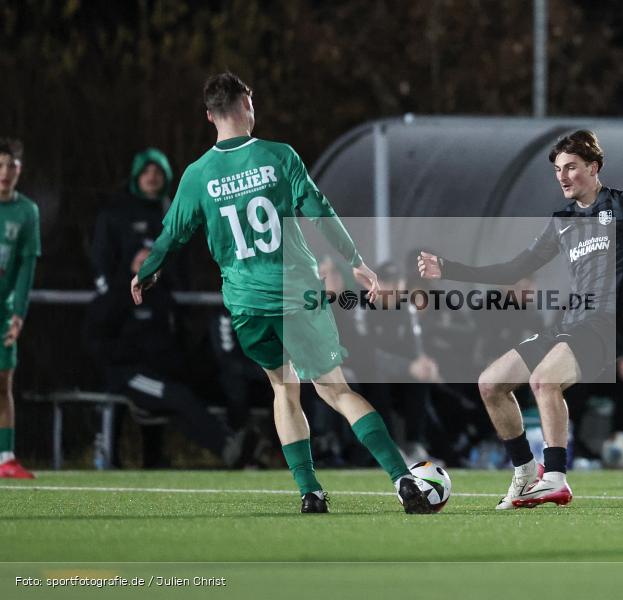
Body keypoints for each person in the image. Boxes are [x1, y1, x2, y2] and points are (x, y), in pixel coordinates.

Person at [131, 72, 432, 514]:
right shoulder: (278, 156)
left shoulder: (198, 174)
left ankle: (310, 492)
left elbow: (172, 233)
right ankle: (402, 478)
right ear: (246, 106)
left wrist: (147, 272)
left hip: (248, 306)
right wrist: (354, 260)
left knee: (283, 390)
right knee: (335, 390)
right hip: (296, 296)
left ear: (209, 115)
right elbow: (318, 209)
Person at [418, 129, 623, 508]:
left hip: (607, 323)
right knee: (491, 384)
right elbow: (513, 269)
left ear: (594, 168)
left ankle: (555, 478)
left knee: (544, 381)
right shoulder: (562, 220)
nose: (562, 176)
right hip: (571, 323)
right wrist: (447, 268)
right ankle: (524, 472)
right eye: (557, 170)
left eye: (571, 167)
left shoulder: (620, 204)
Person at [85, 248, 248, 468]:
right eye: (141, 260)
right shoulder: (115, 296)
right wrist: (129, 358)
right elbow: (98, 342)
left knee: (188, 398)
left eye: (152, 261)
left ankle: (237, 446)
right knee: (179, 396)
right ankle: (229, 446)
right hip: (130, 374)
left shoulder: (164, 298)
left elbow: (176, 340)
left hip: (161, 373)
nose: (147, 265)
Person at [0, 138, 40, 479]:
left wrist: (19, 313)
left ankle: (6, 457)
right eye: (0, 165)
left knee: (3, 382)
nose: (4, 172)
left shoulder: (27, 211)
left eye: (11, 166)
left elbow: (27, 265)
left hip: (3, 308)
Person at [91, 148, 179, 295]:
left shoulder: (176, 215)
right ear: (137, 176)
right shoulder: (115, 214)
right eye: (145, 172)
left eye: (158, 172)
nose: (152, 177)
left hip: (164, 297)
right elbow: (102, 255)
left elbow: (182, 262)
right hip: (121, 295)